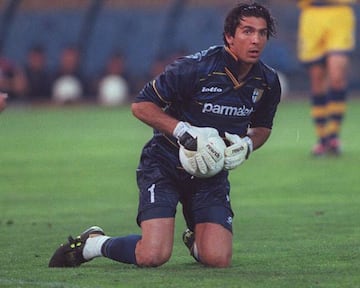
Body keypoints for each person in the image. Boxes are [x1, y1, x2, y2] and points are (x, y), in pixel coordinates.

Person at [49, 2, 281, 269]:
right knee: (153, 255)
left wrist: (248, 145)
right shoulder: (195, 68)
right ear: (229, 36)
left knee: (217, 259)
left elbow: (263, 128)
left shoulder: (268, 81)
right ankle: (93, 244)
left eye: (262, 33)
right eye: (247, 32)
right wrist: (183, 131)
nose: (256, 40)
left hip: (210, 174)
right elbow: (141, 105)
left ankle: (198, 238)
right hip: (164, 165)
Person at [297, 0, 356, 156]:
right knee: (317, 81)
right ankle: (323, 139)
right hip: (312, 15)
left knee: (337, 76)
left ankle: (334, 135)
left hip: (339, 13)